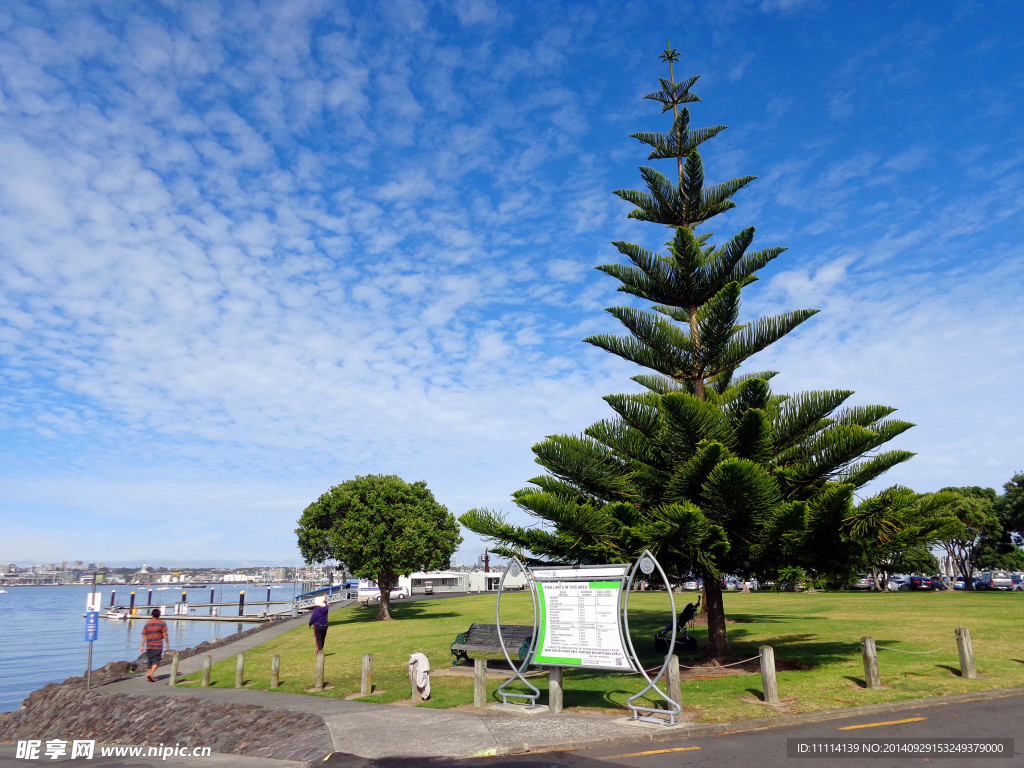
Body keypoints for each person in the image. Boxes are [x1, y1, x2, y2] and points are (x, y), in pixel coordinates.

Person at [140, 608, 169, 682]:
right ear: (159, 615)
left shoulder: (147, 624)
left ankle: (149, 675)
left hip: (149, 645)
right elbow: (165, 634)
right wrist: (167, 643)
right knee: (156, 660)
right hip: (158, 645)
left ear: (152, 615)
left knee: (150, 661)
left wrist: (142, 646)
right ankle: (151, 674)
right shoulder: (162, 623)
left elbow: (144, 635)